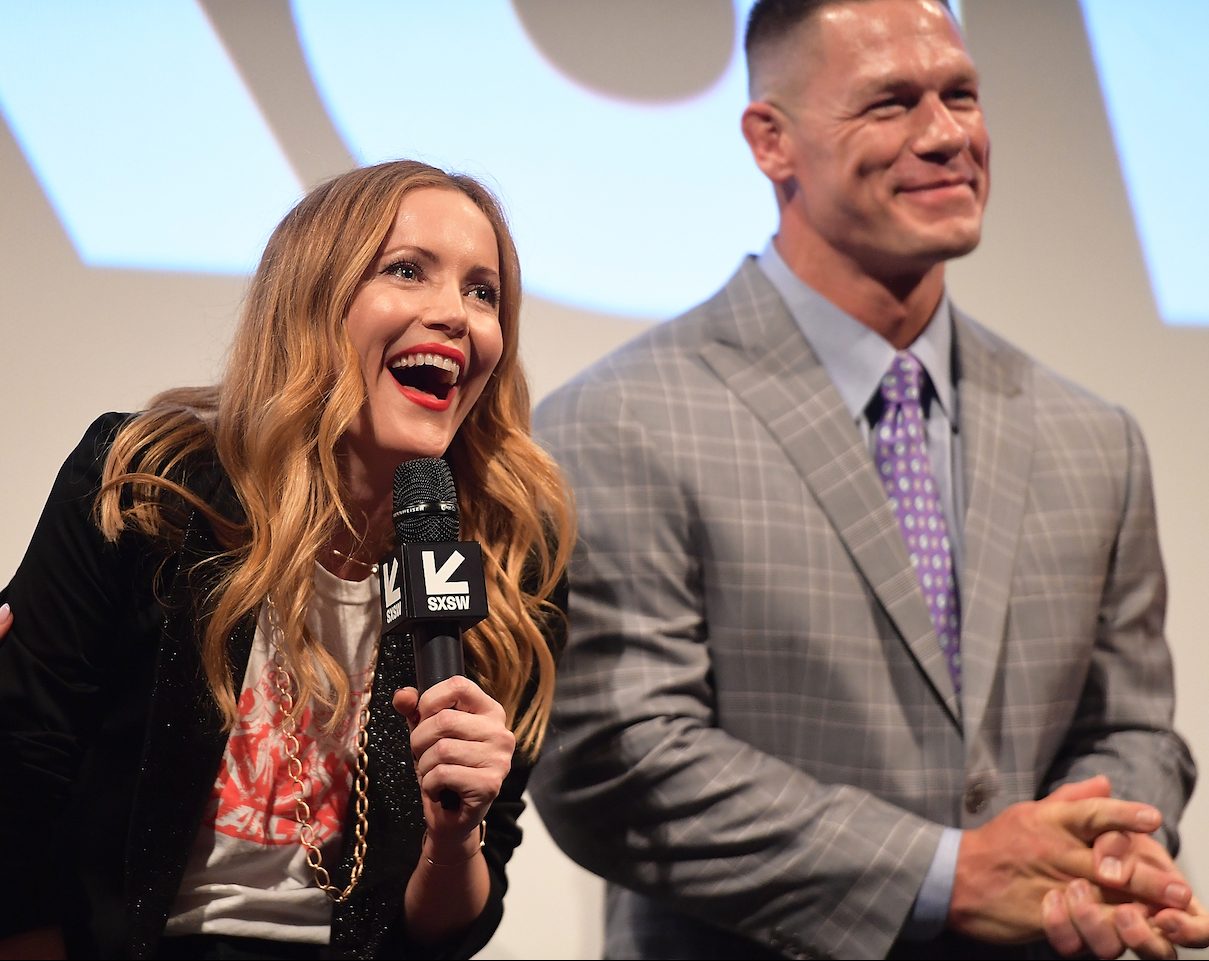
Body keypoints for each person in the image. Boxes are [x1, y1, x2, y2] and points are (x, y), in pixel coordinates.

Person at [527, 1, 1198, 958]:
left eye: (959, 94)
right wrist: (947, 874)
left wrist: (1104, 861)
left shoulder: (1093, 438)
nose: (946, 135)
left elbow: (1132, 726)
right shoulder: (621, 419)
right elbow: (621, 763)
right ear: (771, 141)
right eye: (889, 103)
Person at [0, 159, 573, 960]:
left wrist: (457, 833)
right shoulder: (148, 484)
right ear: (312, 300)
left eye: (483, 292)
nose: (455, 314)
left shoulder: (510, 556)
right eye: (406, 271)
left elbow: (450, 930)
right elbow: (20, 776)